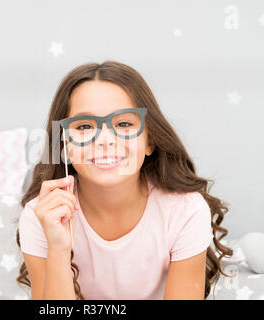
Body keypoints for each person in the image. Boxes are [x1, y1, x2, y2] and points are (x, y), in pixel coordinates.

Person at [16, 61, 233, 300]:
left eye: (124, 124)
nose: (105, 139)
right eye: (85, 126)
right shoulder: (41, 216)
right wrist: (58, 250)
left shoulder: (184, 211)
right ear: (63, 146)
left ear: (150, 141)